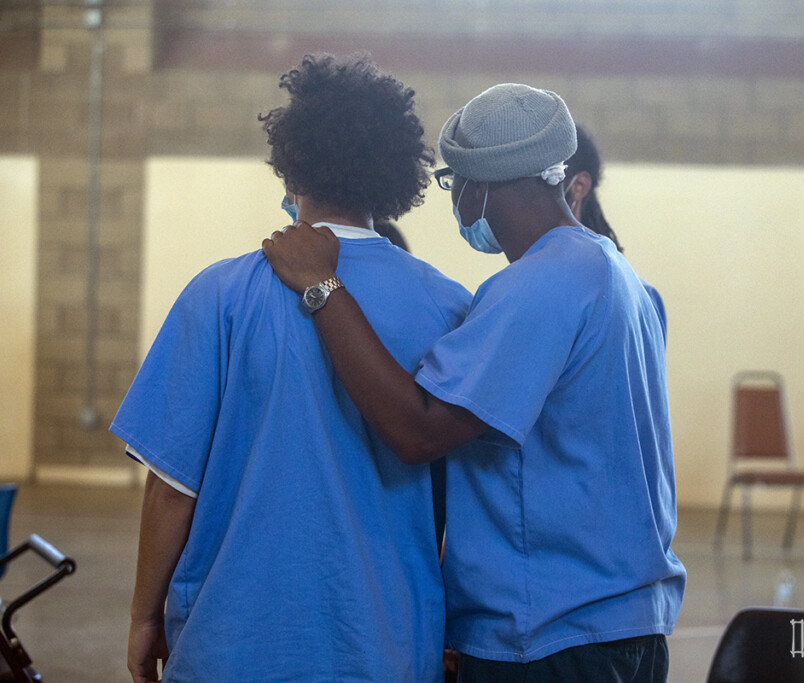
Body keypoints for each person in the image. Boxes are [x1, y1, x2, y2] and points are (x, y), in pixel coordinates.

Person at [263, 83, 685, 681]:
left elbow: (417, 430)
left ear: (480, 184)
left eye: (451, 183)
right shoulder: (620, 278)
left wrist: (321, 286)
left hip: (551, 635)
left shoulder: (545, 284)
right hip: (622, 623)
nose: (454, 199)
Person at [113, 53, 471, 682]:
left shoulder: (218, 295)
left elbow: (172, 488)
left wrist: (145, 617)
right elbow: (463, 500)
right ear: (394, 174)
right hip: (386, 642)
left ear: (291, 162)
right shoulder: (449, 306)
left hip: (232, 644)